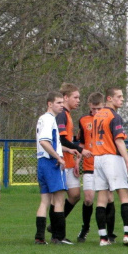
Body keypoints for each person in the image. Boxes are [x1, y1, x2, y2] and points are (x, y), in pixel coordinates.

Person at [92, 87, 128, 246]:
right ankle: (127, 235)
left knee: (102, 199)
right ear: (109, 99)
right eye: (119, 96)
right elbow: (119, 140)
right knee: (124, 196)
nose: (122, 99)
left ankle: (103, 238)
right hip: (112, 158)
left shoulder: (97, 115)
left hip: (98, 159)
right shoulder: (114, 116)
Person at [51, 83, 91, 235]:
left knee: (74, 195)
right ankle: (55, 229)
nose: (78, 100)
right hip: (62, 161)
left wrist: (76, 139)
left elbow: (67, 138)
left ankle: (54, 225)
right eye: (75, 97)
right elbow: (61, 140)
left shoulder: (67, 115)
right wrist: (81, 149)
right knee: (58, 199)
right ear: (66, 97)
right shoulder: (62, 115)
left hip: (69, 161)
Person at [76, 93, 116, 243]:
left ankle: (110, 233)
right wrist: (77, 161)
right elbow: (81, 143)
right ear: (89, 107)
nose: (95, 112)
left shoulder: (109, 118)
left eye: (98, 109)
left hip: (105, 165)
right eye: (93, 109)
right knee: (88, 199)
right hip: (89, 165)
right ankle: (85, 228)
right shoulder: (83, 120)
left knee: (109, 198)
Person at [35, 92, 71, 245]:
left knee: (45, 201)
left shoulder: (42, 119)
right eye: (58, 102)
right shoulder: (49, 119)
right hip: (51, 163)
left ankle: (39, 237)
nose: (61, 105)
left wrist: (68, 150)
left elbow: (50, 142)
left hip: (41, 162)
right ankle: (58, 236)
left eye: (62, 102)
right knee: (59, 200)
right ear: (50, 104)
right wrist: (58, 157)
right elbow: (44, 141)